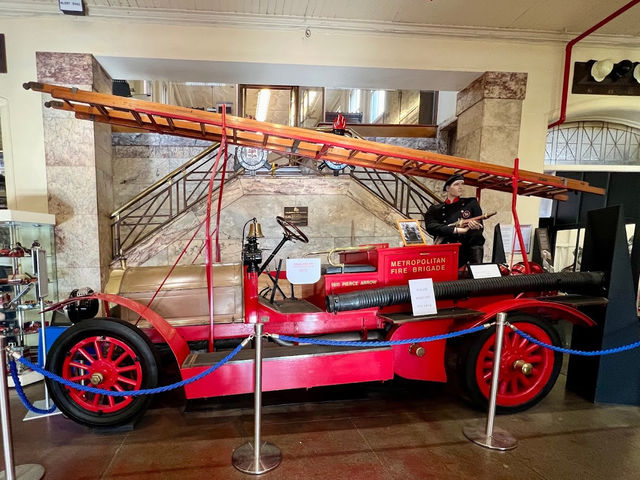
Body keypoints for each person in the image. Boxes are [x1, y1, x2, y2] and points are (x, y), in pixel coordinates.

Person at [425, 174, 485, 267]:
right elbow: (431, 227)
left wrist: (475, 227)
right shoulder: (435, 209)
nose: (461, 187)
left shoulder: (471, 203)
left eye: (462, 184)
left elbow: (480, 226)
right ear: (448, 188)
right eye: (456, 184)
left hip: (467, 251)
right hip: (446, 251)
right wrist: (455, 230)